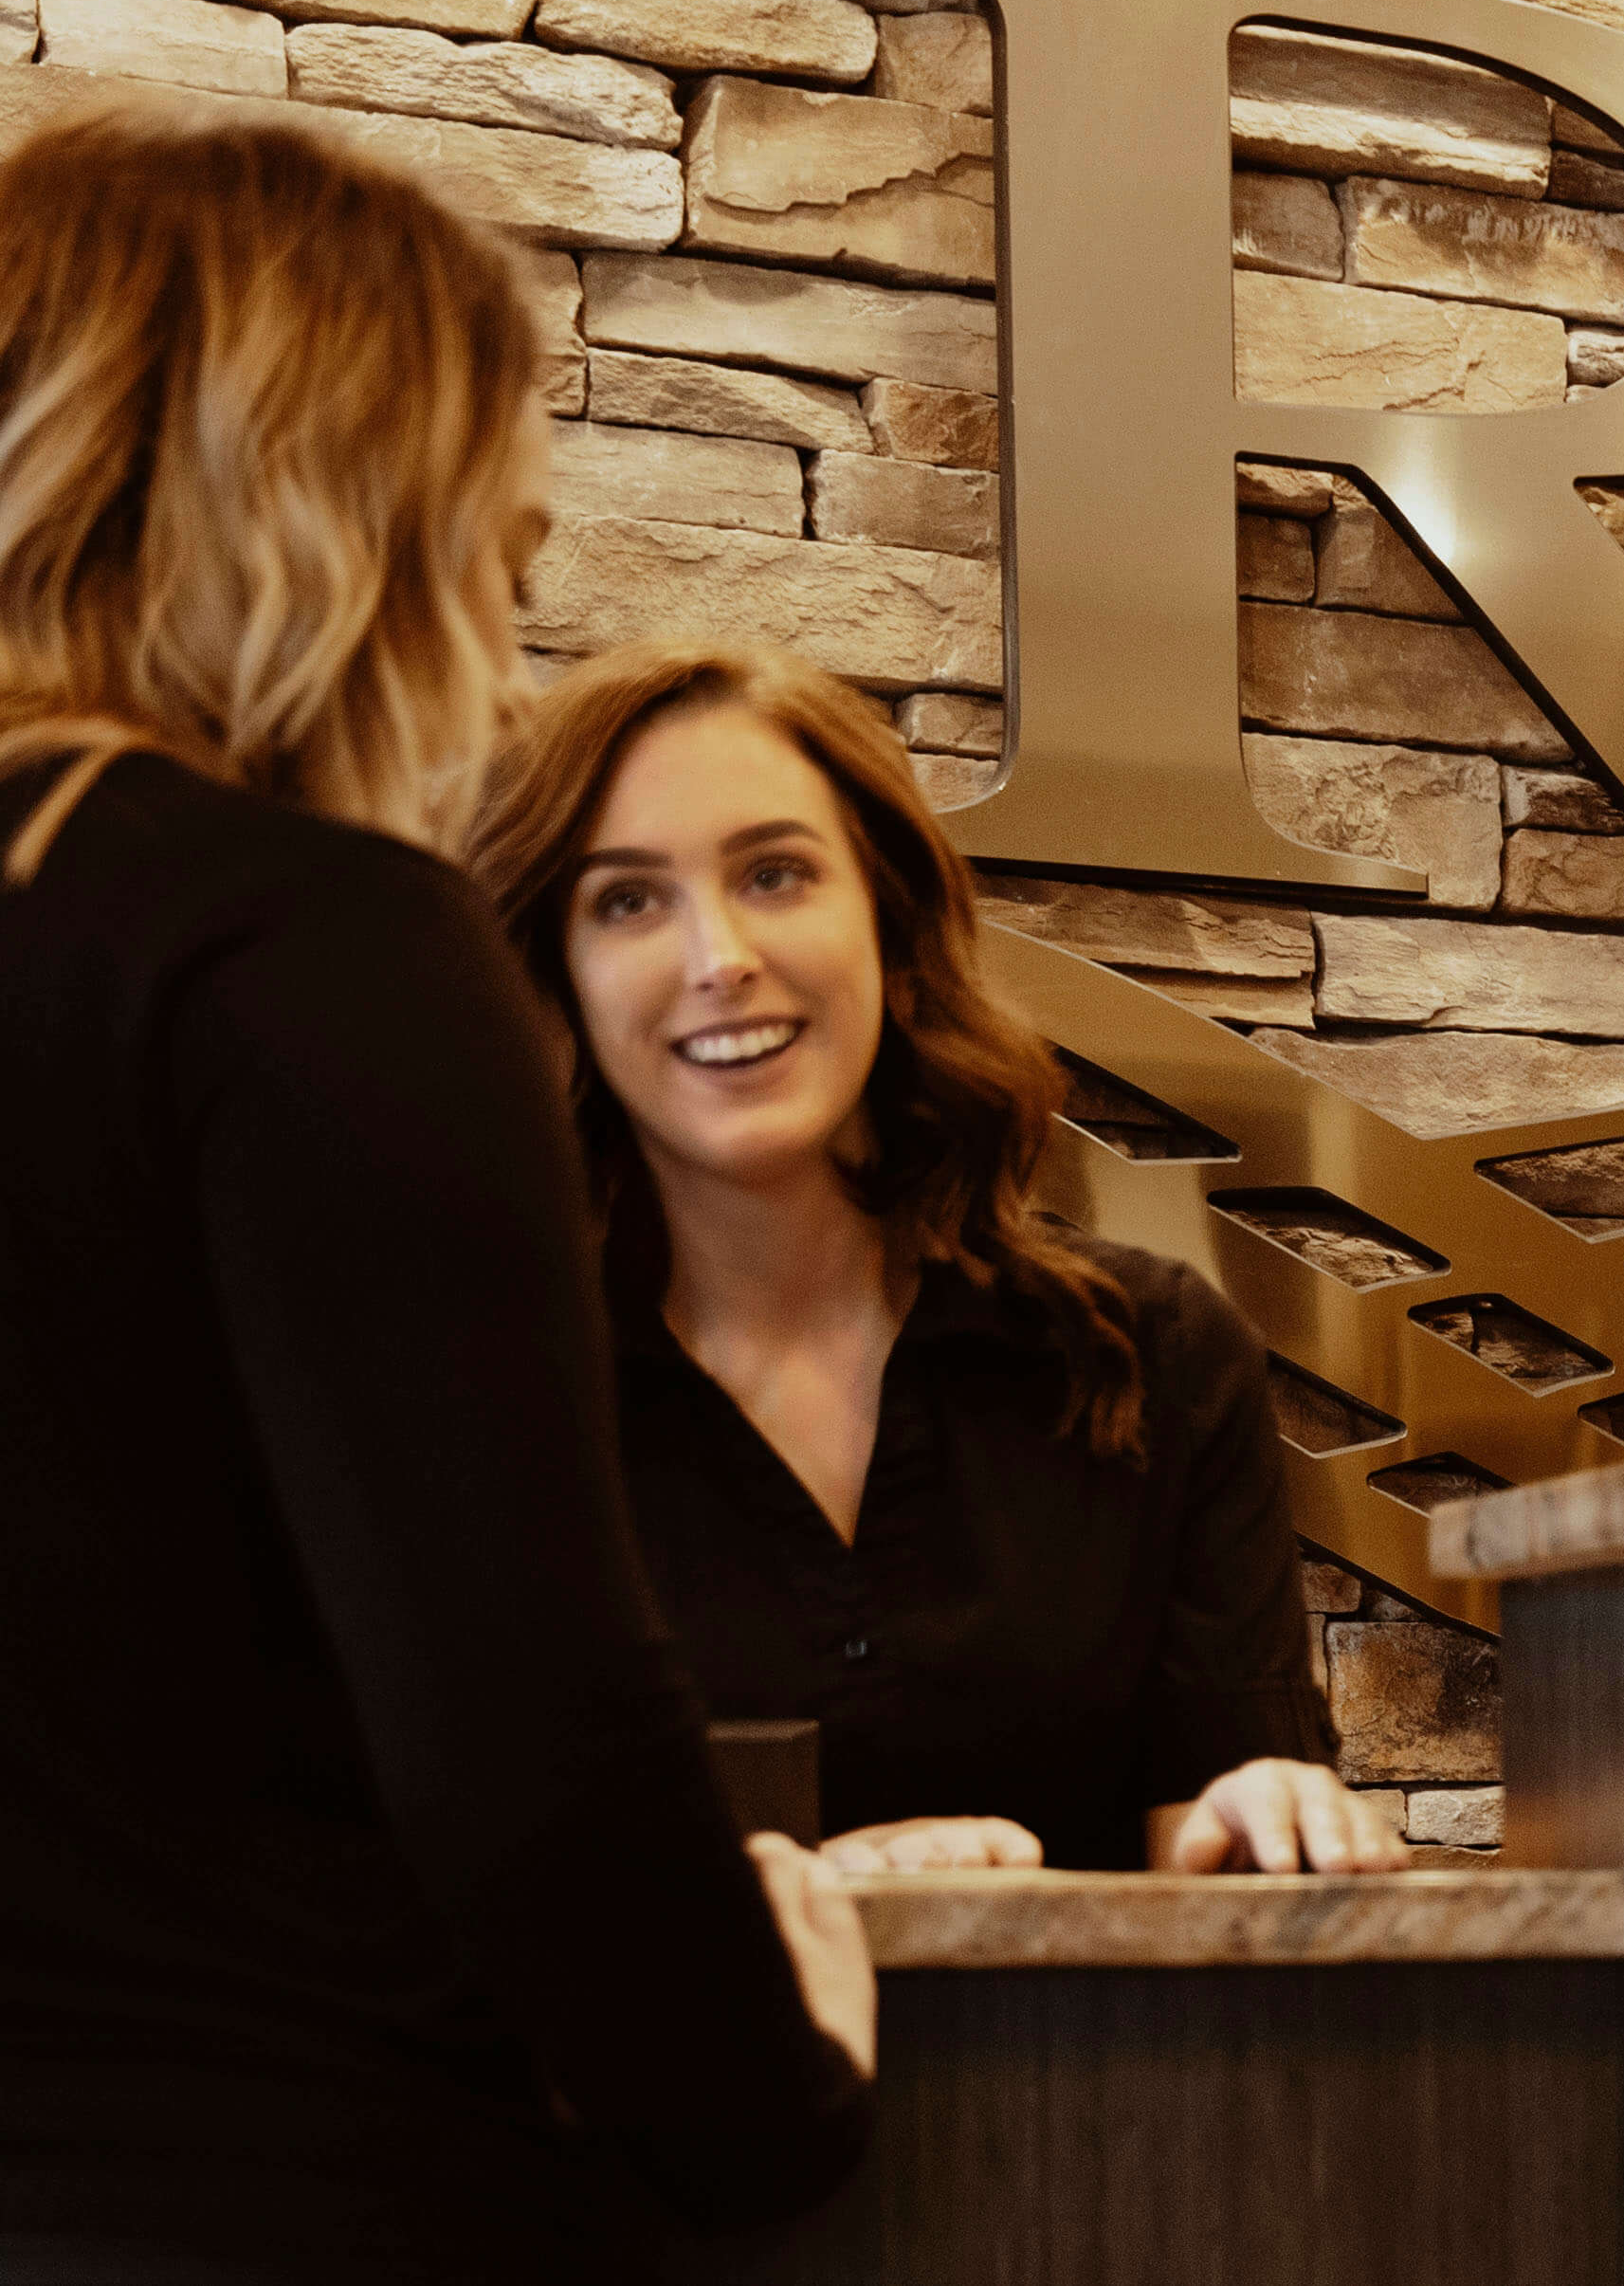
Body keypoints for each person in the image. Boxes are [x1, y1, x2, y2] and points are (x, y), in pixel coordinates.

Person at [0, 113, 872, 2284]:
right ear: (351, 514)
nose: (491, 639)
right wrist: (773, 2099)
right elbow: (522, 1737)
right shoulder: (307, 945)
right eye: (487, 553)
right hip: (191, 2199)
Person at [465, 642, 1408, 1879]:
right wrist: (818, 1894)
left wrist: (1258, 1813)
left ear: (892, 926)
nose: (718, 957)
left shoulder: (1157, 1354)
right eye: (628, 900)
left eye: (773, 873)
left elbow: (1205, 1846)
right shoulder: (486, 1407)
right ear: (558, 976)